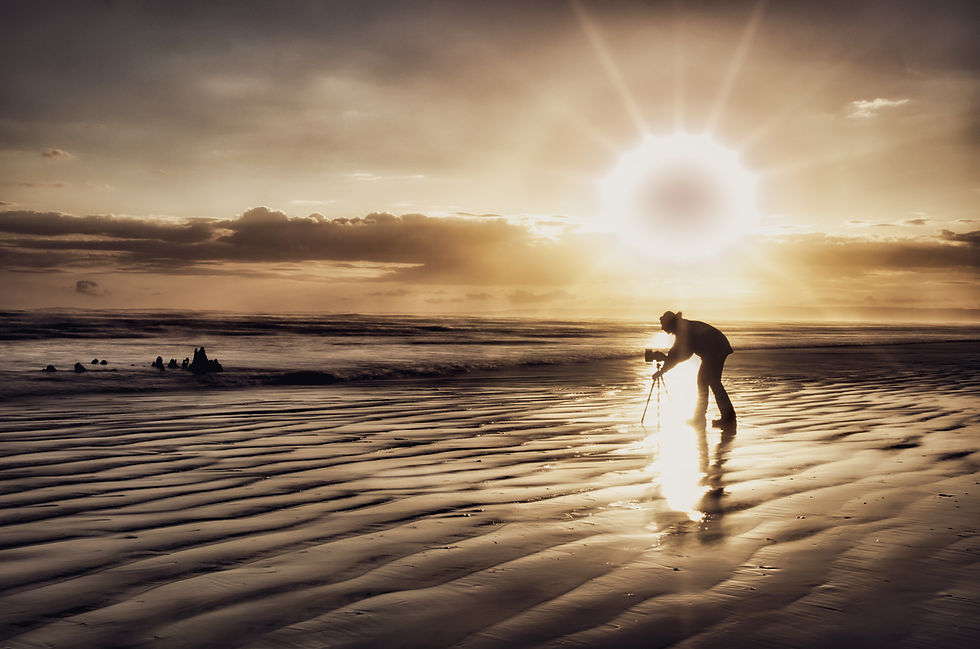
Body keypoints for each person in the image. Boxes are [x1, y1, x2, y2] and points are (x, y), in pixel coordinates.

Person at [649, 311, 735, 428]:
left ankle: (723, 417)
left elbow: (682, 355)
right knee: (708, 382)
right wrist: (665, 361)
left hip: (716, 349)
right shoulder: (681, 328)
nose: (662, 328)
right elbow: (678, 355)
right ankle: (715, 417)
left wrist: (662, 369)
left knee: (708, 382)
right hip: (715, 348)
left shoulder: (683, 330)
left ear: (670, 324)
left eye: (663, 325)